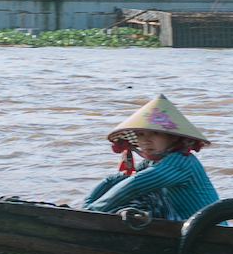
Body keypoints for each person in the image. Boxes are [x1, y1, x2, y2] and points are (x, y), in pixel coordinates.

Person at [82, 93, 220, 221]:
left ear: (173, 137)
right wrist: (86, 207)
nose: (145, 141)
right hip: (182, 224)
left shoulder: (181, 161)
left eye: (154, 134)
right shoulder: (151, 163)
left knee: (146, 195)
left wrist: (94, 210)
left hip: (205, 230)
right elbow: (115, 180)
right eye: (140, 135)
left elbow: (134, 185)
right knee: (121, 185)